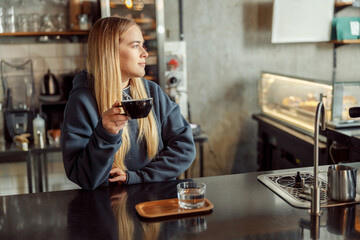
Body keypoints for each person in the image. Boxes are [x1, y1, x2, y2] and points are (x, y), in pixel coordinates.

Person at [61, 17, 196, 190]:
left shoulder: (152, 92)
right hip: (108, 208)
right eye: (135, 45)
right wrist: (106, 134)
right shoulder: (83, 100)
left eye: (143, 45)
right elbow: (84, 178)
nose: (145, 53)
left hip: (156, 204)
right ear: (109, 51)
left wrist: (138, 177)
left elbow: (185, 149)